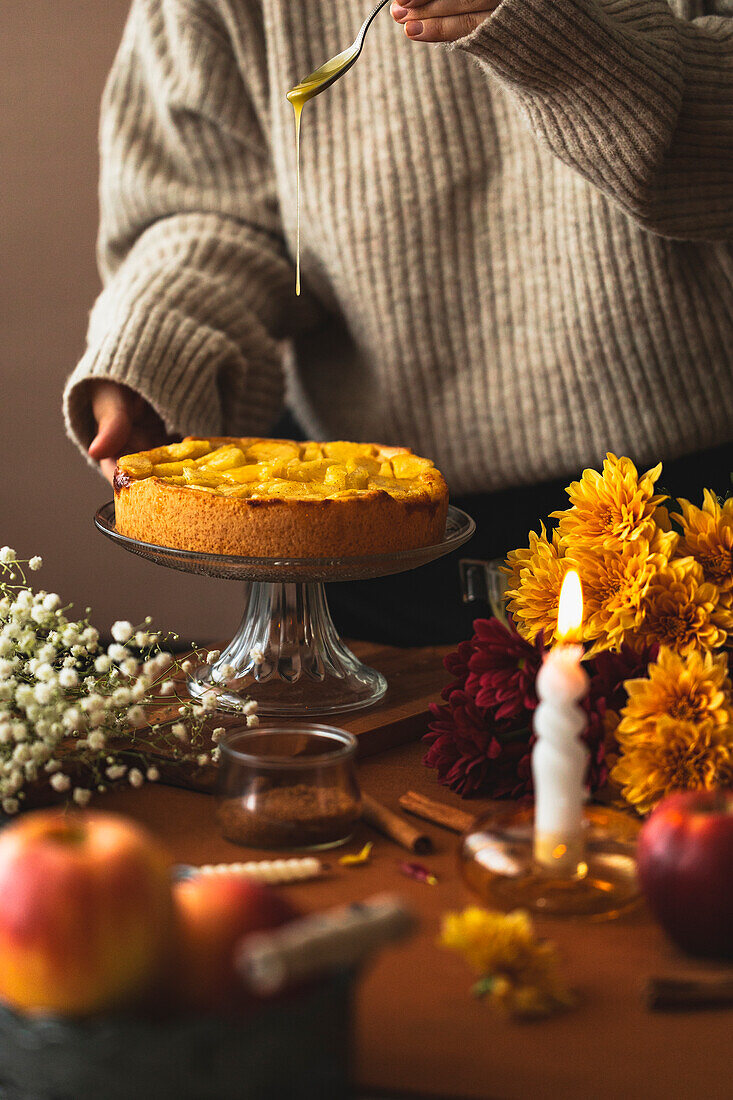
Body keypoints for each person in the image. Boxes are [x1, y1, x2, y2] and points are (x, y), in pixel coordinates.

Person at [65, 0, 733, 645]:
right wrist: (159, 344)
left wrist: (567, 38)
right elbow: (212, 209)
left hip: (686, 520)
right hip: (355, 542)